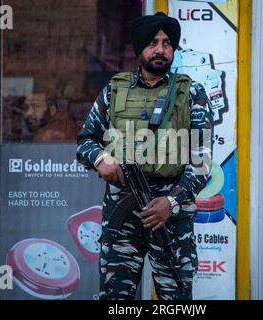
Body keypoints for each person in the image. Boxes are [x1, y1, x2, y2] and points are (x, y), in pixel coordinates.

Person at [76, 12, 213, 300]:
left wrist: (172, 202)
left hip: (170, 216)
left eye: (166, 43)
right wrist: (101, 159)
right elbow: (85, 141)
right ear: (140, 49)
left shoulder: (192, 93)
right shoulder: (114, 91)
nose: (160, 49)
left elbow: (201, 163)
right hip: (121, 213)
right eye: (152, 42)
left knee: (175, 299)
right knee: (116, 298)